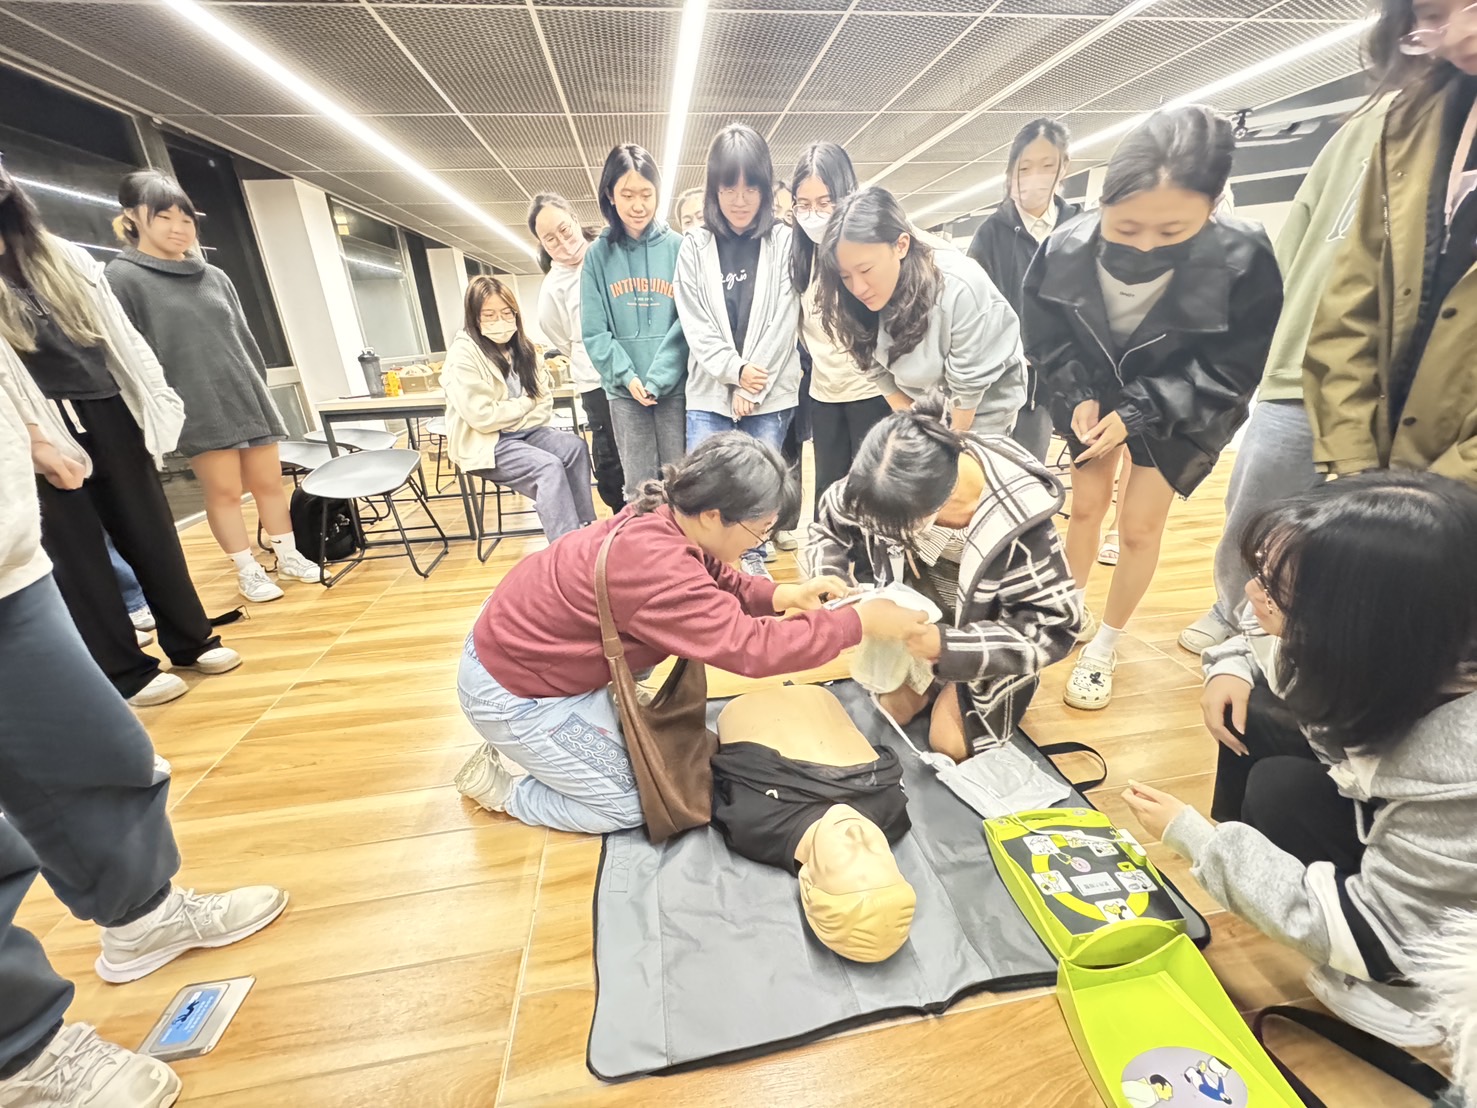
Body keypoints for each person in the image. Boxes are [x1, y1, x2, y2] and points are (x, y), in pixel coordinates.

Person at [0, 372, 286, 1107]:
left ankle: (142, 918)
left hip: (10, 563)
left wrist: (29, 431)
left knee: (97, 751)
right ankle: (19, 1055)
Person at [1124, 472, 1477, 1050]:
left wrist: (1197, 841)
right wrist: (1230, 664)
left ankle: (1416, 996)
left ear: (1356, 627)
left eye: (1274, 589)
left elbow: (1383, 930)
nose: (1251, 596)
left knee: (1282, 797)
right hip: (1402, 814)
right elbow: (1258, 628)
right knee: (1268, 752)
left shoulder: (1458, 772)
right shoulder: (1420, 633)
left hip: (1437, 929)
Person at [453, 433, 927, 834]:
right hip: (517, 692)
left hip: (538, 658)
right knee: (634, 806)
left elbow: (713, 577)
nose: (759, 543)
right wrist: (858, 622)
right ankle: (507, 792)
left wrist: (782, 596)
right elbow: (749, 647)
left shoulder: (665, 514)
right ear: (712, 515)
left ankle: (551, 746)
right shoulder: (653, 565)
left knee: (658, 761)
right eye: (759, 530)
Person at [1022, 105, 1282, 711]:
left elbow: (1234, 367)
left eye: (1172, 233)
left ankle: (1104, 647)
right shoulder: (1064, 246)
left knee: (1138, 526)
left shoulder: (1244, 257)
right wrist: (1076, 393)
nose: (1145, 246)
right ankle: (1066, 613)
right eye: (1128, 226)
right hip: (1092, 390)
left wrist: (1139, 413)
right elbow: (1045, 338)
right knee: (1083, 508)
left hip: (1182, 403)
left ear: (1213, 206)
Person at [0, 162, 240, 709]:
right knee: (78, 550)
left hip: (106, 404)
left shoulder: (61, 256)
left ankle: (191, 637)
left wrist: (154, 402)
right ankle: (124, 669)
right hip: (38, 421)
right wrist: (34, 439)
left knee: (150, 529)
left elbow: (121, 339)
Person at [1177, 100, 1392, 655]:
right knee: (1256, 505)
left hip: (1401, 390)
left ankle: (1314, 629)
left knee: (1369, 529)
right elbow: (1293, 244)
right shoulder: (1365, 125)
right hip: (1299, 367)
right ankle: (1233, 610)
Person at [806, 392, 1081, 760]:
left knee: (949, 744)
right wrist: (828, 579)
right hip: (917, 624)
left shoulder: (1019, 519)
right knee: (889, 710)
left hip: (984, 639)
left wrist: (948, 648)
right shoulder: (884, 480)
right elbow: (828, 526)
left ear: (932, 504)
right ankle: (934, 679)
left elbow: (1054, 628)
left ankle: (955, 680)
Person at [105, 170, 319, 604]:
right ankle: (248, 570)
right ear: (132, 217)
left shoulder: (214, 276)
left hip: (245, 394)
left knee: (270, 483)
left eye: (186, 219)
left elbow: (243, 339)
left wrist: (259, 388)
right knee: (223, 491)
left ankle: (289, 555)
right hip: (194, 403)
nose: (177, 228)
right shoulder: (122, 278)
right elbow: (128, 354)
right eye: (162, 217)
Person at [1303, 0, 1477, 495]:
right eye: (1431, 15)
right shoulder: (1412, 119)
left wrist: (1444, 492)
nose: (1459, 32)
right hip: (1388, 463)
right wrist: (1352, 461)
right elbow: (1351, 299)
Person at [675, 124, 801, 577]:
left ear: (766, 188)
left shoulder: (784, 241)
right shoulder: (694, 245)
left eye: (752, 186)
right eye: (729, 187)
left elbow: (787, 317)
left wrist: (754, 377)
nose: (741, 198)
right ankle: (705, 575)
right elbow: (695, 320)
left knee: (758, 492)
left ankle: (751, 568)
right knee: (704, 496)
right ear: (715, 189)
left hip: (769, 392)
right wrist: (734, 371)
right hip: (709, 392)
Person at [712, 685, 916, 964]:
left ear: (807, 882)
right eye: (878, 853)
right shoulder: (893, 812)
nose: (858, 833)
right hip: (821, 676)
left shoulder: (757, 824)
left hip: (738, 682)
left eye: (851, 859)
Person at [814, 185, 1025, 437]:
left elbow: (967, 395)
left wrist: (946, 445)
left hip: (984, 410)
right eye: (845, 275)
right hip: (925, 402)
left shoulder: (960, 288)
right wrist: (918, 428)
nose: (857, 288)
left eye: (866, 270)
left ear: (901, 245)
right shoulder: (850, 296)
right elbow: (878, 373)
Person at [443, 275, 595, 543]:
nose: (499, 321)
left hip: (527, 432)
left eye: (505, 312)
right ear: (474, 317)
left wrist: (512, 414)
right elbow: (483, 417)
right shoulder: (463, 354)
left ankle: (582, 529)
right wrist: (524, 404)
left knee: (575, 448)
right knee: (548, 467)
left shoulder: (526, 349)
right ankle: (565, 547)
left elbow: (544, 401)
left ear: (515, 314)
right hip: (488, 442)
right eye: (488, 315)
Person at [967, 118, 1082, 462]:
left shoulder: (1080, 228)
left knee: (1032, 477)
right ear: (1011, 171)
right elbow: (975, 312)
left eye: (1047, 166)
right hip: (1004, 380)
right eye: (1025, 167)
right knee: (994, 472)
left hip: (1065, 379)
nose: (1035, 176)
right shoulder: (991, 234)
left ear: (1064, 167)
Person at [789, 143, 890, 521]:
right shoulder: (799, 253)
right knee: (827, 499)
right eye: (803, 203)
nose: (813, 214)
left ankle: (869, 576)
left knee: (870, 494)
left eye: (825, 201)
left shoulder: (864, 249)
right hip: (824, 394)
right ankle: (827, 572)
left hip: (872, 391)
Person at [581, 144, 688, 502]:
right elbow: (595, 331)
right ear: (610, 195)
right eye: (627, 194)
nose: (638, 205)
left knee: (681, 482)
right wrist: (628, 377)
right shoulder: (597, 255)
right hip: (625, 393)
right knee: (639, 489)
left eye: (646, 194)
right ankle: (644, 556)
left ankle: (681, 557)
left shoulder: (678, 247)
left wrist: (658, 377)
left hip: (674, 389)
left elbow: (688, 322)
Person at [530, 191, 624, 513]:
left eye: (564, 230)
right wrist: (591, 353)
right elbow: (561, 337)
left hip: (634, 370)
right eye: (550, 239)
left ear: (574, 220)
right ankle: (621, 521)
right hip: (595, 381)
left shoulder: (609, 253)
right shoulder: (552, 289)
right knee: (611, 456)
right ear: (542, 244)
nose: (561, 241)